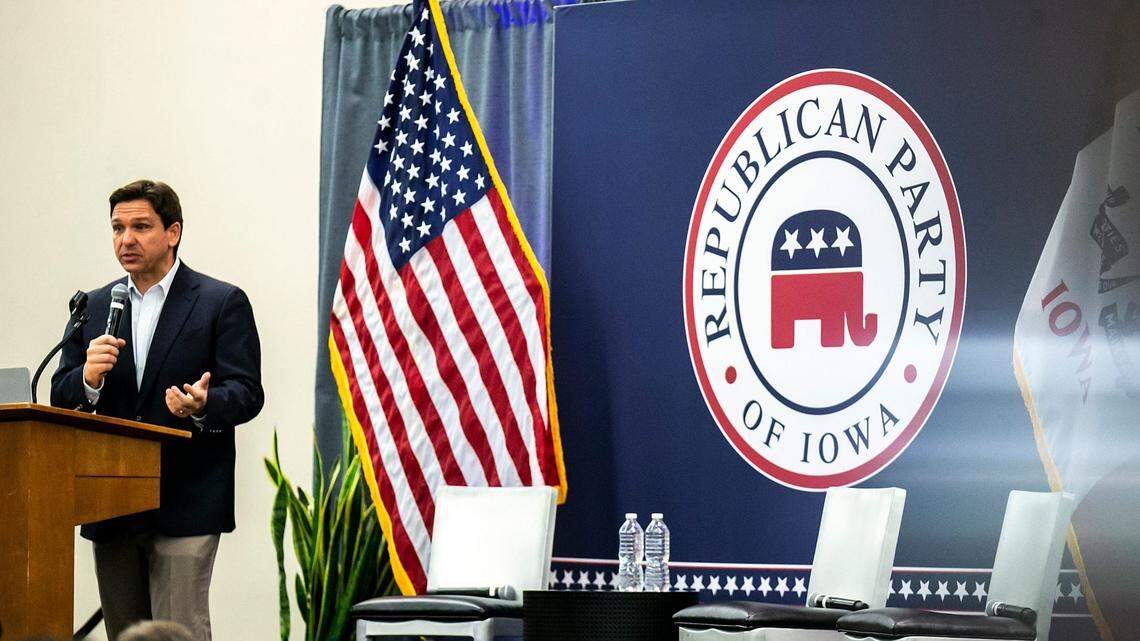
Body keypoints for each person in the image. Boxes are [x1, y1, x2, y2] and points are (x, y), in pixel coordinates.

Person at [50, 179, 263, 641]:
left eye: (141, 227)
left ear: (173, 232)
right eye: (117, 228)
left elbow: (247, 391)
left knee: (177, 632)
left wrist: (204, 404)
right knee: (125, 634)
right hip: (111, 502)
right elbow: (59, 394)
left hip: (186, 500)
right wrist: (88, 379)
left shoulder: (219, 301)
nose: (126, 239)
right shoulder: (93, 306)